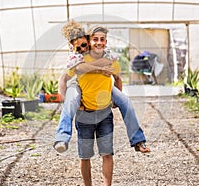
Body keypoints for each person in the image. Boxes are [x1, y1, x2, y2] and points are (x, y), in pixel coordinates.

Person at [54, 20, 150, 154]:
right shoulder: (75, 57)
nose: (83, 49)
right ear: (71, 46)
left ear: (88, 41)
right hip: (81, 87)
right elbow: (72, 72)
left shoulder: (103, 53)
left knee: (126, 102)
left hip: (105, 88)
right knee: (70, 100)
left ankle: (138, 140)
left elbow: (115, 74)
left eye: (84, 45)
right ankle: (62, 137)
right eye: (79, 48)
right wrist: (63, 97)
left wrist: (115, 100)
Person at [71, 26, 117, 185]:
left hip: (105, 114)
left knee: (107, 154)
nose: (98, 42)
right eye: (95, 39)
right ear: (89, 41)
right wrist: (99, 69)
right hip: (84, 115)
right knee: (85, 156)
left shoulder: (108, 57)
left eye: (102, 39)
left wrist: (117, 97)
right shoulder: (78, 58)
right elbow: (78, 68)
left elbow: (117, 75)